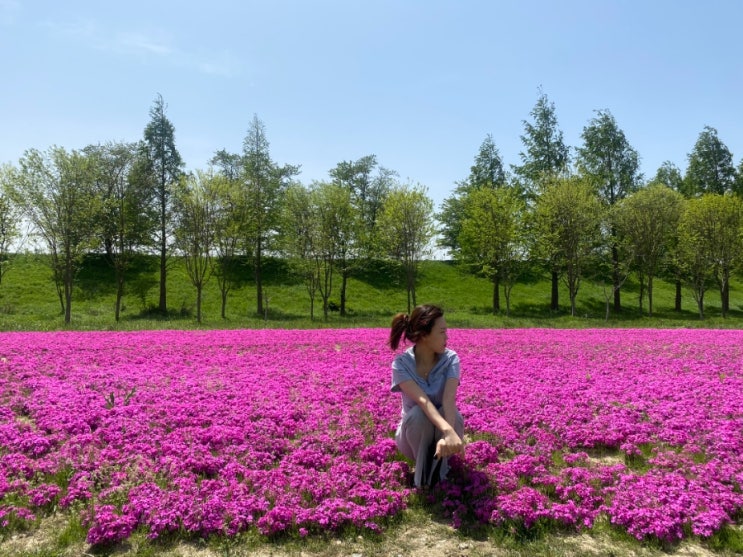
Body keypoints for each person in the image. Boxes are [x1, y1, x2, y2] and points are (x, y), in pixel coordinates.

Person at [389, 304, 465, 488]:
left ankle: (440, 473)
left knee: (452, 414)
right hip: (413, 434)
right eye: (441, 332)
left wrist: (448, 435)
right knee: (418, 415)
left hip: (445, 425)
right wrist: (448, 431)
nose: (446, 337)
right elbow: (423, 401)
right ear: (424, 335)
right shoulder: (401, 364)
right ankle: (423, 480)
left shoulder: (451, 359)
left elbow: (448, 401)